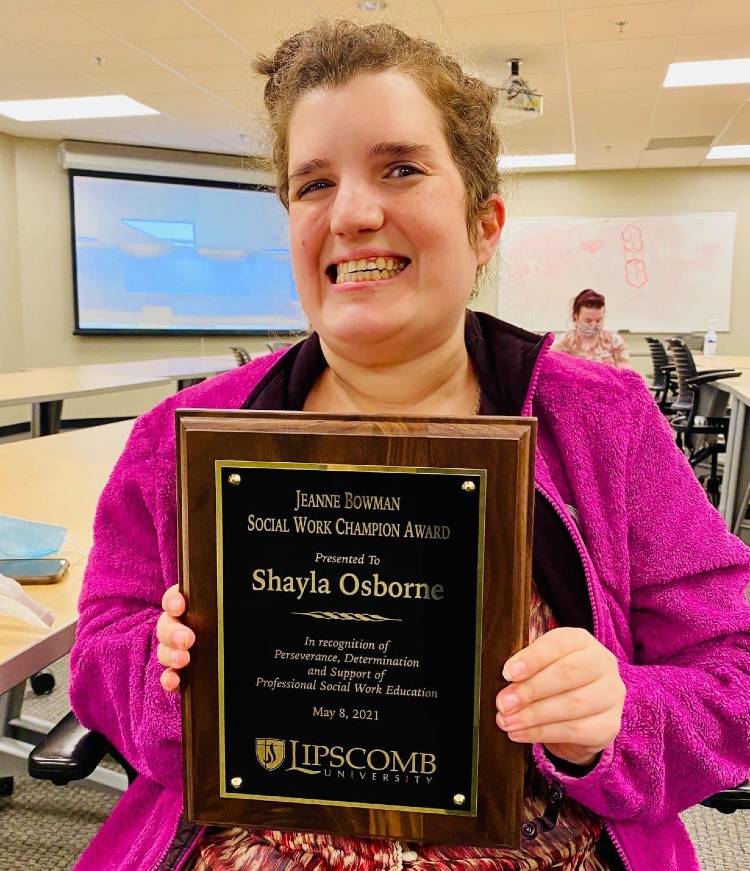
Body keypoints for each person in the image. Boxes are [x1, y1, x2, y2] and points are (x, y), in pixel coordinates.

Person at [68, 19, 750, 871]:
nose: (352, 213)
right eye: (312, 184)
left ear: (484, 224)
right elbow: (101, 646)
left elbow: (735, 666)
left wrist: (619, 714)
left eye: (400, 168)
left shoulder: (600, 421)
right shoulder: (180, 438)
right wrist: (165, 677)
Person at [552, 289, 629, 368]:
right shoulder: (561, 343)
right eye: (588, 321)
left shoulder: (614, 341)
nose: (593, 325)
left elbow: (626, 375)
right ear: (576, 316)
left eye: (599, 320)